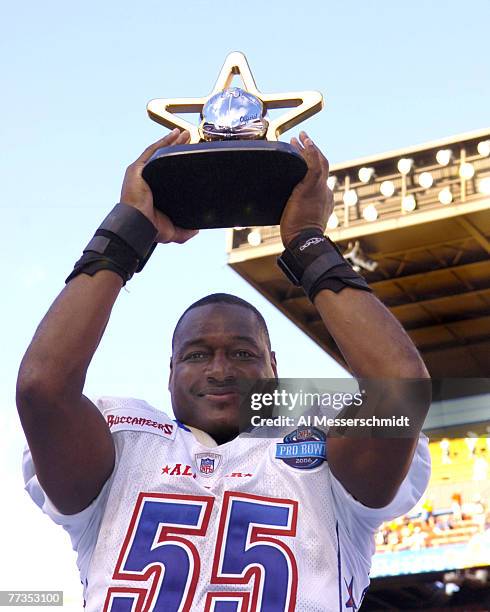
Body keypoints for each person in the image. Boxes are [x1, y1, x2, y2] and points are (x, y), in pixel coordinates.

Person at [17, 128, 432, 611]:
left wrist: (306, 242)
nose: (219, 370)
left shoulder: (320, 439)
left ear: (273, 368)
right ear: (169, 370)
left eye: (242, 353)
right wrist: (126, 232)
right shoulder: (122, 445)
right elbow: (42, 387)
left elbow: (399, 386)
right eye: (196, 355)